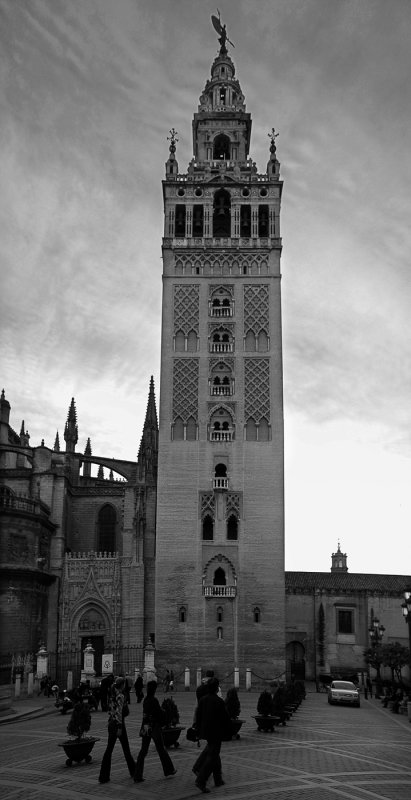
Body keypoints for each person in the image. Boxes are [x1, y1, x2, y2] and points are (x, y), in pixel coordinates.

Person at [133, 680, 176, 783]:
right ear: (155, 689)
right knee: (161, 749)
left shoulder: (146, 699)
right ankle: (169, 770)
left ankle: (137, 775)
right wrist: (164, 712)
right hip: (154, 727)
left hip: (146, 726)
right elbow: (159, 714)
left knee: (143, 751)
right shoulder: (154, 700)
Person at [194, 677, 231, 793]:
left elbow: (198, 716)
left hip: (206, 731)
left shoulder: (203, 700)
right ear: (216, 688)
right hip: (216, 732)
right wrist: (229, 731)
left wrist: (198, 730)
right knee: (213, 756)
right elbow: (225, 718)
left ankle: (218, 778)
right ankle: (201, 780)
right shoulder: (219, 701)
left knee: (214, 753)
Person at [98, 676, 135, 784]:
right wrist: (119, 727)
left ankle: (103, 776)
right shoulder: (120, 696)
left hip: (111, 723)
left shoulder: (112, 695)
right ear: (122, 685)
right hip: (118, 724)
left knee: (109, 750)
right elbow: (119, 712)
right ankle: (134, 771)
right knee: (126, 749)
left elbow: (111, 710)